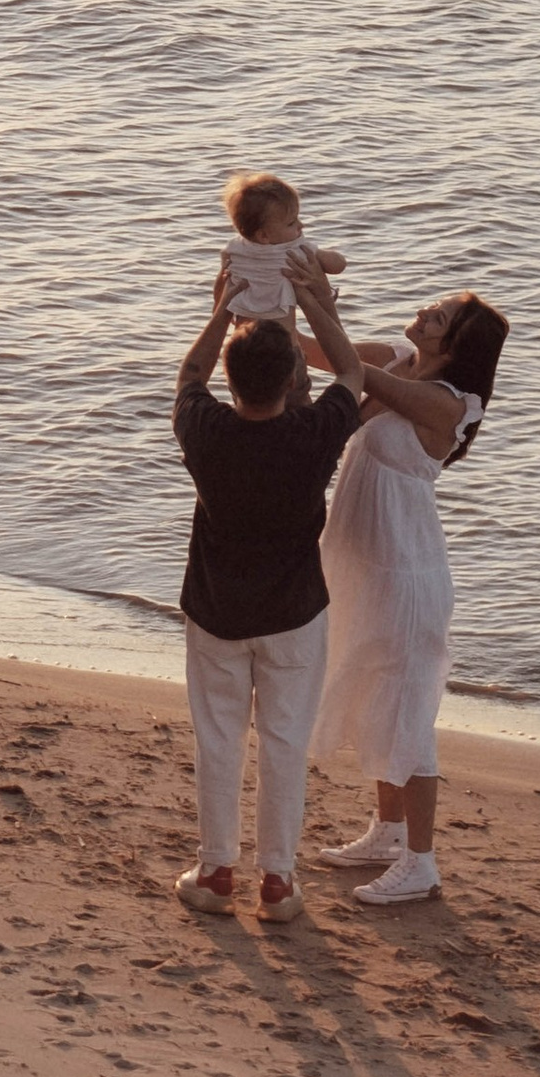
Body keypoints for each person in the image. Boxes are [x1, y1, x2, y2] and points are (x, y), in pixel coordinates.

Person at [170, 247, 365, 928]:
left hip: (217, 609)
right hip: (293, 614)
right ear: (291, 381)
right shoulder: (313, 434)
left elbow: (190, 374)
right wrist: (314, 299)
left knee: (219, 737)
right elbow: (350, 371)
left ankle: (217, 868)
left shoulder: (205, 428)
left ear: (232, 380)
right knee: (284, 741)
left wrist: (222, 308)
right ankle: (277, 880)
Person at [309, 290, 510, 908]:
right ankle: (388, 832)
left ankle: (421, 863)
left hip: (405, 576)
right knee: (374, 696)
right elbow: (316, 353)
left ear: (454, 346)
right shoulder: (402, 358)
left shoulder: (448, 403)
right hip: (362, 568)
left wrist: (314, 293)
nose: (423, 313)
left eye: (439, 318)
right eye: (431, 305)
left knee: (408, 715)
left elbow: (349, 368)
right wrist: (270, 296)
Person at [218, 169, 347, 323]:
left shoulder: (233, 251)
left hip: (244, 336)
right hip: (283, 339)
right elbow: (337, 265)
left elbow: (222, 289)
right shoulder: (293, 251)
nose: (301, 225)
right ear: (264, 236)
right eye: (291, 223)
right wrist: (327, 257)